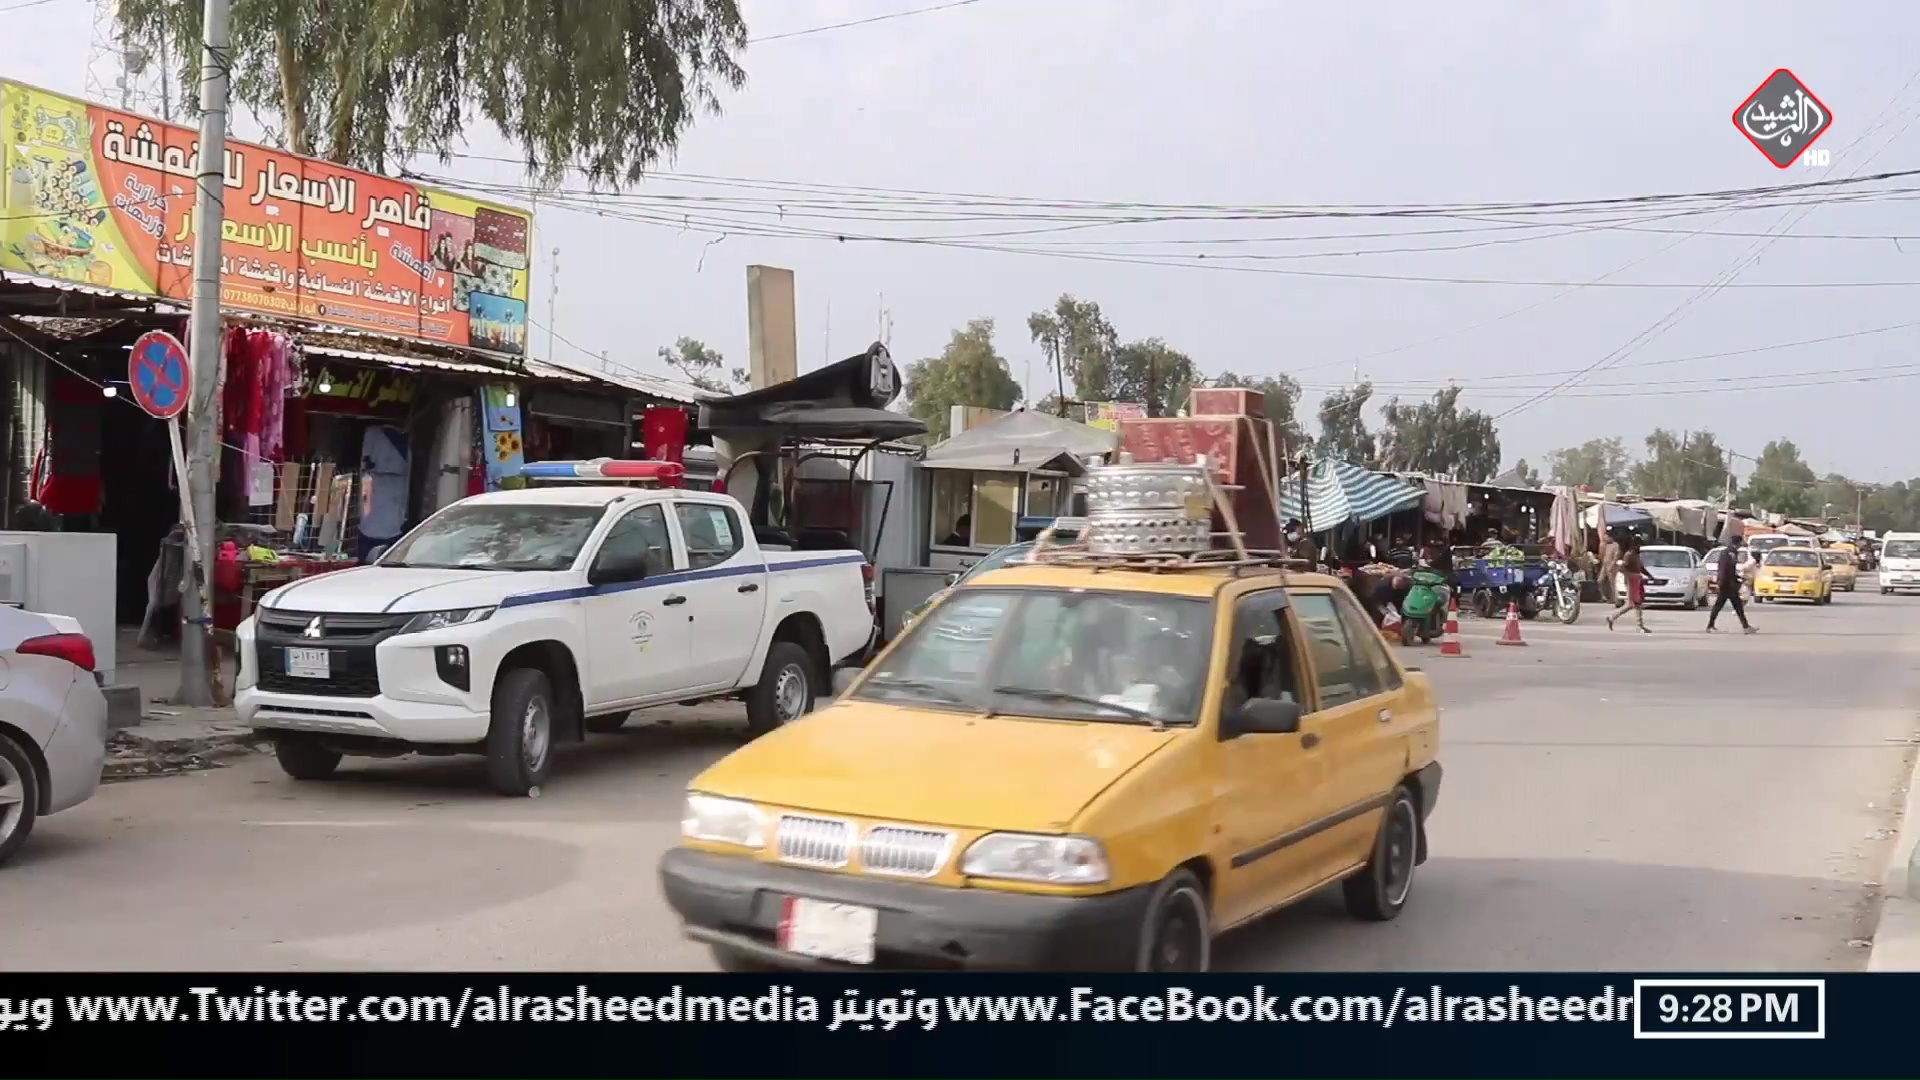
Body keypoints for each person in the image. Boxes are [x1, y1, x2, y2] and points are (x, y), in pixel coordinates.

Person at [1706, 535, 1758, 634]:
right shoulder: (1729, 553)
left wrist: (1737, 578)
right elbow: (1725, 569)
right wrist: (1726, 581)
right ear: (1738, 543)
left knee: (1737, 606)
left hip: (1729, 583)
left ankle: (1746, 626)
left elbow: (1730, 569)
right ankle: (1710, 625)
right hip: (1727, 584)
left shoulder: (1730, 552)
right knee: (1720, 606)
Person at [1606, 534, 1656, 633]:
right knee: (1633, 603)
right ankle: (1614, 618)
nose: (1639, 547)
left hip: (1637, 579)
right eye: (1638, 545)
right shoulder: (1628, 555)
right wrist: (1629, 575)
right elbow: (1621, 568)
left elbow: (1640, 567)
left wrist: (1649, 575)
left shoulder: (1636, 555)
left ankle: (1638, 625)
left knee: (1635, 603)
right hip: (1632, 580)